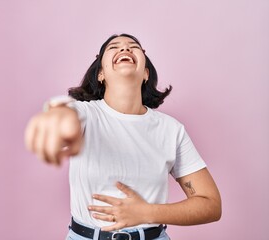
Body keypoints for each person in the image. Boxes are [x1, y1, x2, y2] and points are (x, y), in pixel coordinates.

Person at [24, 33, 222, 240]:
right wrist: (55, 115)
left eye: (133, 46)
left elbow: (210, 204)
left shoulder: (171, 130)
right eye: (114, 47)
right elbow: (66, 113)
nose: (125, 49)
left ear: (145, 73)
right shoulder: (86, 114)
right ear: (101, 73)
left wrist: (146, 212)